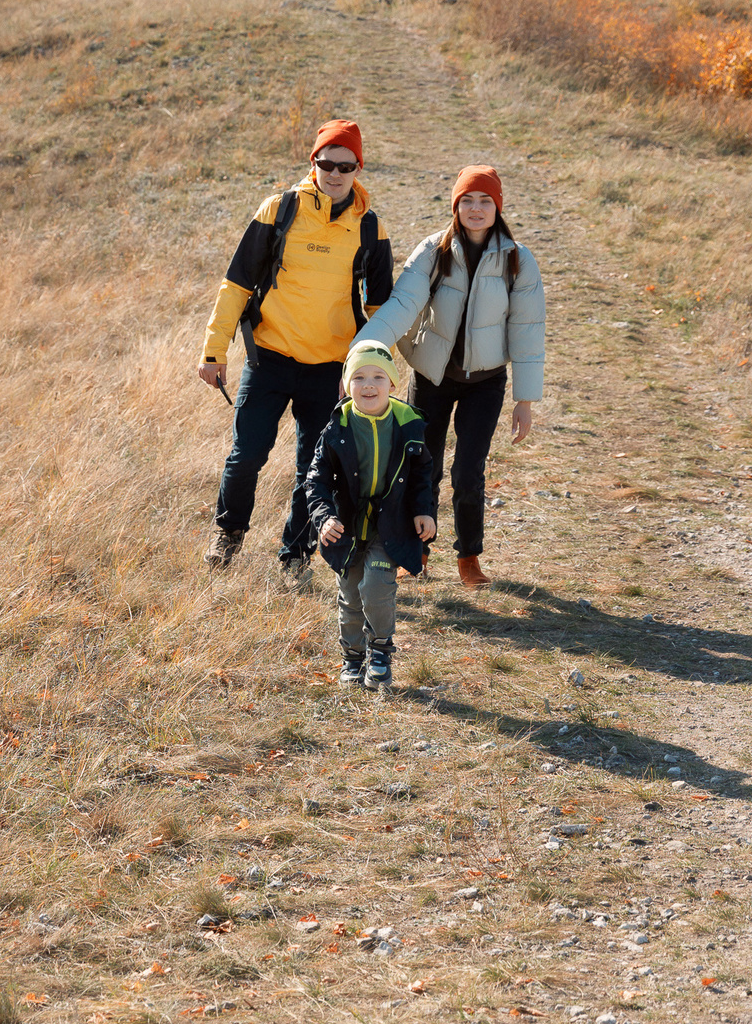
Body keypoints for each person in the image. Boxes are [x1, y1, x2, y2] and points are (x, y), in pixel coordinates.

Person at [198, 119, 396, 571]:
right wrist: (214, 351)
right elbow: (236, 285)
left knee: (315, 468)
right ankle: (227, 535)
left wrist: (368, 369)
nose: (336, 173)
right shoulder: (279, 210)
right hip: (269, 357)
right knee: (246, 454)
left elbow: (383, 306)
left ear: (358, 168)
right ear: (314, 162)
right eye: (327, 162)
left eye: (346, 165)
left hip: (330, 368)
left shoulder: (370, 228)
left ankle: (295, 558)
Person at [357, 164, 546, 589]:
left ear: (497, 207)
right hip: (431, 377)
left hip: (486, 380)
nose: (475, 209)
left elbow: (528, 332)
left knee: (468, 471)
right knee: (423, 466)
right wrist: (365, 349)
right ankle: (416, 552)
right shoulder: (433, 250)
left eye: (485, 201)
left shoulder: (518, 259)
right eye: (467, 201)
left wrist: (525, 400)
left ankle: (469, 558)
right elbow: (403, 304)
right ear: (455, 205)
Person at [302, 341, 437, 690]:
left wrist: (424, 511)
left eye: (379, 376)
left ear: (392, 384)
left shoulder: (409, 426)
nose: (369, 385)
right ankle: (352, 656)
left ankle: (379, 652)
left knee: (377, 587)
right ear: (347, 385)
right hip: (346, 525)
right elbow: (315, 479)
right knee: (350, 595)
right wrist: (324, 518)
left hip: (389, 524)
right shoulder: (337, 428)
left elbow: (424, 476)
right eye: (358, 377)